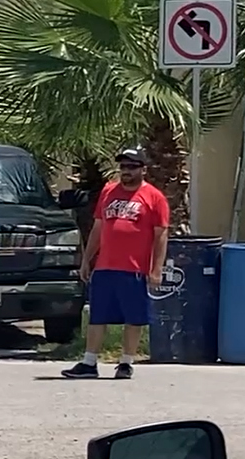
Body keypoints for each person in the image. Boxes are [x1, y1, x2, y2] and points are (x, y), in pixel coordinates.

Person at [63, 148, 170, 380]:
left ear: (143, 169)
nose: (126, 172)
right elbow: (98, 228)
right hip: (105, 267)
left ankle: (125, 363)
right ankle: (89, 362)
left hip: (134, 269)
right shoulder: (109, 191)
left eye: (131, 167)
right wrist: (87, 259)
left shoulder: (154, 197)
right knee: (97, 315)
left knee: (134, 317)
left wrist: (156, 269)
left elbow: (161, 235)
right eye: (123, 167)